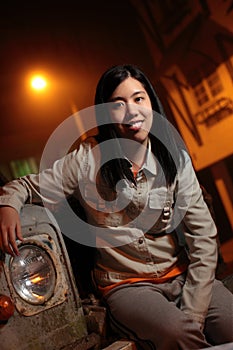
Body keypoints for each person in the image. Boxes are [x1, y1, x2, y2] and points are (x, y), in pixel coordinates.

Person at [0, 64, 233, 349]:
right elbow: (27, 185)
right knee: (179, 334)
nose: (132, 112)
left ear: (151, 103)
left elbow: (204, 241)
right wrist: (8, 205)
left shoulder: (174, 159)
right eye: (117, 105)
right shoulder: (87, 159)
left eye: (138, 99)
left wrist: (195, 311)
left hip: (183, 273)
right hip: (127, 285)